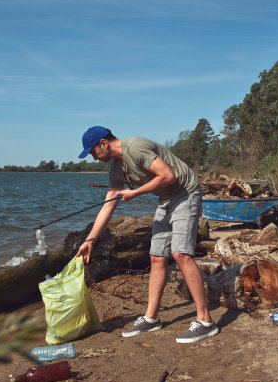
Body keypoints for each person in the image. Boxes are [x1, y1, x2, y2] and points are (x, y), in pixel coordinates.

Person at [76, 126, 219, 343]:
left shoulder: (135, 147)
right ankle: (151, 318)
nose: (93, 157)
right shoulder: (116, 168)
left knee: (181, 253)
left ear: (104, 143)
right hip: (165, 200)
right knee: (157, 257)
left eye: (93, 151)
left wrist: (136, 192)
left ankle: (205, 321)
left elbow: (168, 175)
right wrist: (90, 240)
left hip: (186, 193)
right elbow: (108, 206)